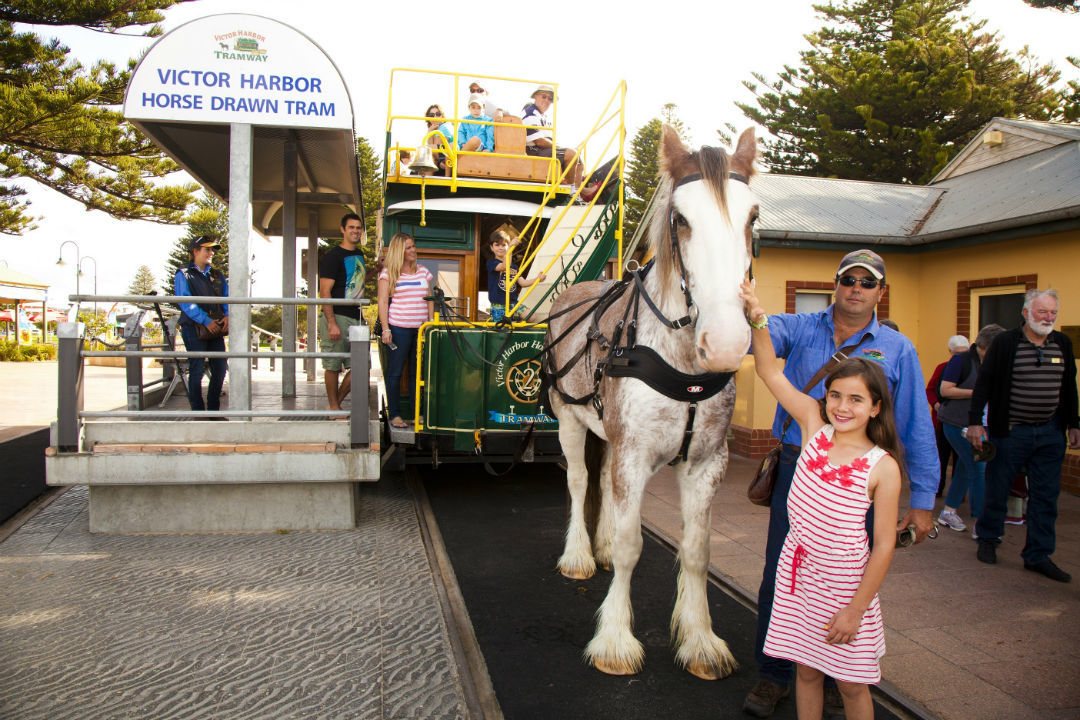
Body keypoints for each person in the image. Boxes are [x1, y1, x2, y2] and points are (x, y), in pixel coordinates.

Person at [743, 249, 939, 720]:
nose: (856, 287)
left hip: (864, 481)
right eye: (848, 279)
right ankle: (775, 675)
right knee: (781, 574)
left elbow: (915, 425)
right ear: (836, 283)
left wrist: (925, 499)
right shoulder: (802, 328)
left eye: (867, 282)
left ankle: (836, 668)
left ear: (880, 292)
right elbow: (764, 355)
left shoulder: (899, 349)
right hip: (802, 463)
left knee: (853, 574)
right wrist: (752, 312)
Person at [967, 289, 1079, 582]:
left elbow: (1069, 388)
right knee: (998, 487)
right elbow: (985, 384)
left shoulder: (1062, 344)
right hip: (1011, 433)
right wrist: (975, 423)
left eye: (1053, 312)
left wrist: (1073, 423)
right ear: (1027, 313)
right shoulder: (1006, 342)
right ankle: (989, 539)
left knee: (1046, 496)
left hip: (1050, 433)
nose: (1049, 318)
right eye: (1043, 312)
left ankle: (1038, 555)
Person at [937, 324, 1005, 534]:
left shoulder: (995, 362)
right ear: (987, 347)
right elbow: (945, 390)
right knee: (978, 468)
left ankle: (948, 512)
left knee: (966, 468)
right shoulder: (962, 360)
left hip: (983, 423)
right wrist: (979, 392)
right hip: (957, 423)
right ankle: (981, 523)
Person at [378, 233, 434, 429]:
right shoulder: (388, 274)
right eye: (408, 247)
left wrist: (430, 324)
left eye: (413, 246)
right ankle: (394, 414)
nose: (413, 250)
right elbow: (383, 302)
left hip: (420, 330)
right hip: (398, 328)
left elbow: (429, 300)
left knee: (416, 374)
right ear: (399, 251)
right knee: (394, 372)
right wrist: (386, 329)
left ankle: (416, 414)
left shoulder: (423, 272)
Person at [319, 213, 373, 411]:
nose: (355, 231)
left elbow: (355, 282)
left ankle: (335, 404)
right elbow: (324, 292)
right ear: (343, 229)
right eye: (351, 227)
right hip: (336, 316)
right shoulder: (333, 257)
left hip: (356, 316)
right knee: (333, 365)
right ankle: (334, 406)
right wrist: (331, 322)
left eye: (358, 228)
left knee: (361, 366)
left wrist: (376, 269)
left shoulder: (359, 255)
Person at [175, 236, 229, 415]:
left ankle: (213, 411)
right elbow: (185, 301)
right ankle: (198, 412)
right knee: (197, 369)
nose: (211, 253)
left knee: (220, 368)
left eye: (212, 249)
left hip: (216, 328)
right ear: (195, 251)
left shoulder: (217, 275)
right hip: (194, 327)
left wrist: (227, 314)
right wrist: (205, 320)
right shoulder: (184, 274)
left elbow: (227, 298)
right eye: (207, 249)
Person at [926, 335, 970, 496]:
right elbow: (930, 389)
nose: (960, 356)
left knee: (961, 459)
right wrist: (936, 404)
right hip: (942, 419)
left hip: (962, 420)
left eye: (964, 352)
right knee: (940, 457)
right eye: (956, 353)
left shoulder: (970, 368)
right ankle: (937, 488)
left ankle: (958, 493)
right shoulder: (942, 367)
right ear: (950, 352)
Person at [521, 84, 583, 186]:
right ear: (535, 96)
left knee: (579, 160)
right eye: (544, 96)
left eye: (550, 99)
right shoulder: (530, 112)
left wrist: (560, 148)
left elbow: (547, 140)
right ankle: (571, 193)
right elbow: (539, 141)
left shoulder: (542, 116)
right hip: (532, 151)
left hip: (542, 150)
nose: (547, 100)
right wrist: (560, 147)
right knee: (571, 154)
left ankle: (578, 192)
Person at [487, 229, 546, 322]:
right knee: (502, 328)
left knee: (531, 316)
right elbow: (504, 266)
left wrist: (537, 279)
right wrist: (510, 248)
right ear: (491, 247)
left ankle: (517, 326)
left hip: (513, 303)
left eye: (504, 245)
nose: (500, 248)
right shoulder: (491, 263)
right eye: (497, 245)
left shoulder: (514, 267)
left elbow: (523, 283)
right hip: (499, 305)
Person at [423, 104, 455, 175]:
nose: (435, 117)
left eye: (438, 114)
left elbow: (434, 148)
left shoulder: (444, 127)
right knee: (429, 157)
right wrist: (430, 131)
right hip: (440, 155)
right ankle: (427, 183)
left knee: (426, 151)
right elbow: (432, 149)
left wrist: (430, 132)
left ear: (442, 116)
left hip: (448, 156)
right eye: (431, 115)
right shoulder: (433, 130)